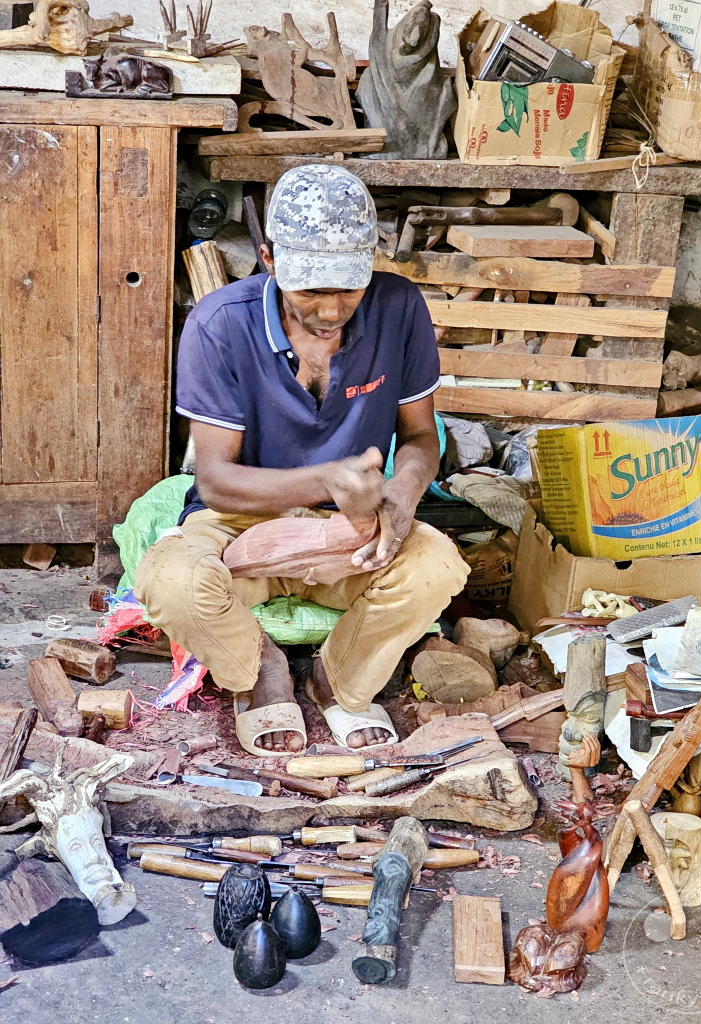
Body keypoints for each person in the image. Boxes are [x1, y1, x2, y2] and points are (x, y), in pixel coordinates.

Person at [135, 164, 469, 755]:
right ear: (269, 259)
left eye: (348, 286)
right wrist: (324, 478)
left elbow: (420, 438)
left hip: (353, 529)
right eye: (310, 288)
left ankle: (335, 682)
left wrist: (402, 495)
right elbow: (214, 482)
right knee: (171, 581)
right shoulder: (219, 325)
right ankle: (258, 669)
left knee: (438, 566)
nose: (330, 308)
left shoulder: (399, 308)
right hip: (241, 521)